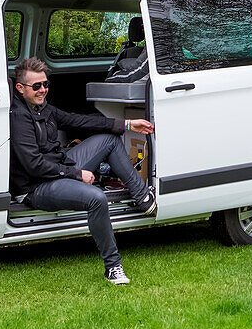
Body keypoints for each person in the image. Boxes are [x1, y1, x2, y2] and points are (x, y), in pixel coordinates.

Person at [9, 57, 157, 285]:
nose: (42, 90)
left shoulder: (42, 108)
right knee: (97, 198)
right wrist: (77, 175)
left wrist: (127, 124)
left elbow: (78, 121)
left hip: (60, 168)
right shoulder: (19, 117)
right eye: (36, 86)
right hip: (36, 187)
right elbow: (34, 165)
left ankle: (142, 196)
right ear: (20, 88)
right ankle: (113, 267)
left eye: (45, 84)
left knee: (109, 139)